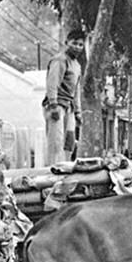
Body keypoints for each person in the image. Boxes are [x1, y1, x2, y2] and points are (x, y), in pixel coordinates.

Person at [42, 28, 85, 165]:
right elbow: (52, 83)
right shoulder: (60, 60)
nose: (77, 47)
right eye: (74, 43)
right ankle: (52, 173)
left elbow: (76, 90)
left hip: (69, 107)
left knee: (69, 143)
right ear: (67, 43)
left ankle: (65, 171)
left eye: (80, 45)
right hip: (56, 106)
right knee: (55, 142)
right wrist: (53, 105)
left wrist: (78, 112)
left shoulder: (77, 65)